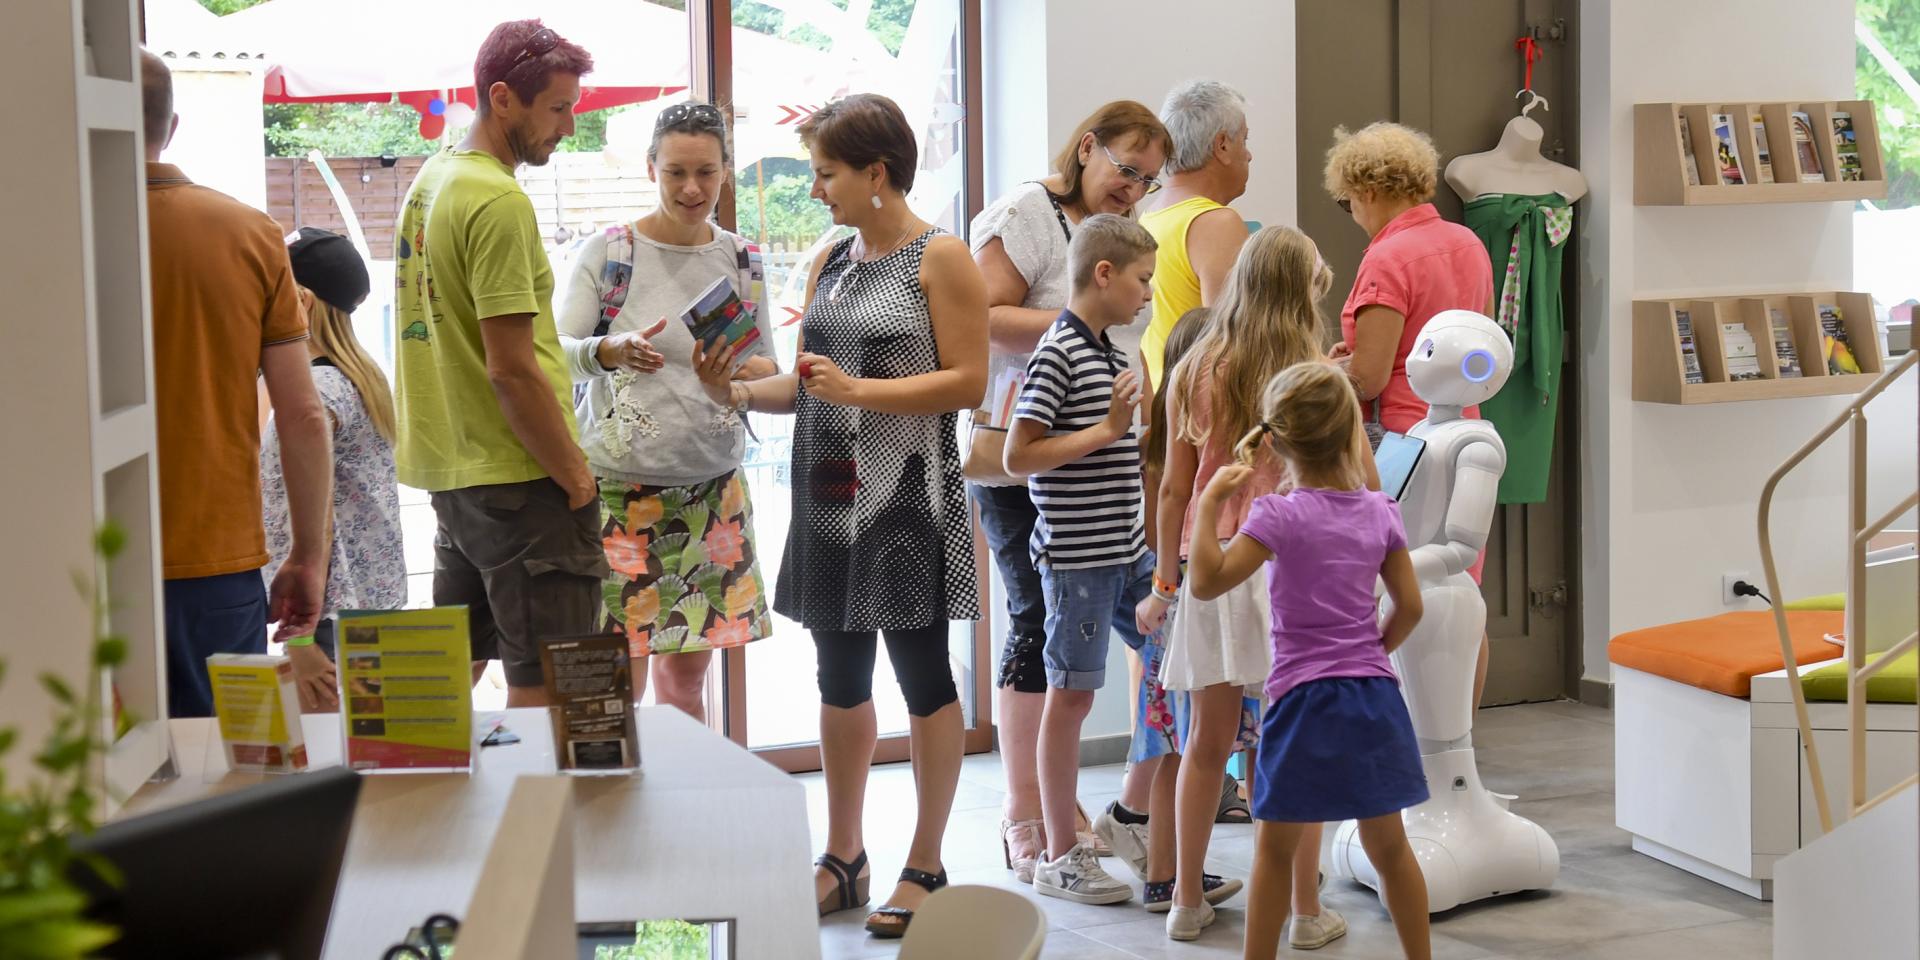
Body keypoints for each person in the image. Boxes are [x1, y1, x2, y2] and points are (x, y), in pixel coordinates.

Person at [692, 93, 987, 939]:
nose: (816, 189)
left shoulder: (943, 258)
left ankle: (926, 861)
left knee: (924, 675)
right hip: (828, 493)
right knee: (837, 677)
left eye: (825, 173)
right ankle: (844, 856)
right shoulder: (834, 258)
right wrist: (739, 388)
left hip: (906, 499)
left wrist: (863, 391)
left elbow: (967, 381)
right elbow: (807, 380)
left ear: (876, 174)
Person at [968, 100, 1171, 883]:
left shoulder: (1124, 266)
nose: (1135, 188)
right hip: (1038, 454)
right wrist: (1079, 321)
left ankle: (1108, 816)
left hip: (1105, 469)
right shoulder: (1027, 212)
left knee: (1148, 636)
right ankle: (1033, 818)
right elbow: (981, 314)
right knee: (1036, 621)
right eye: (1127, 169)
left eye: (1149, 180)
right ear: (1087, 148)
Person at [392, 20, 607, 707]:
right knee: (553, 693)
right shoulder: (497, 199)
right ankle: (536, 820)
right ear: (504, 98)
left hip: (457, 478)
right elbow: (511, 368)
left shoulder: (432, 182)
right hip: (520, 479)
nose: (568, 127)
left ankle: (435, 815)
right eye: (558, 108)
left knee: (450, 682)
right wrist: (575, 477)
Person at [1185, 361, 1431, 960]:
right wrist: (1369, 654)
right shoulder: (1380, 511)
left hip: (1301, 703)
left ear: (1274, 440)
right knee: (1391, 848)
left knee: (1275, 850)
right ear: (1352, 432)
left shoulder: (1278, 516)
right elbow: (1410, 608)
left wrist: (1209, 502)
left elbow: (1207, 583)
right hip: (1373, 698)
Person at [1136, 226, 1337, 941]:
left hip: (1213, 564)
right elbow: (1347, 484)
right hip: (1291, 567)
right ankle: (1303, 910)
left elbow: (1170, 491)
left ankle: (1187, 900)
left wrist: (1166, 579)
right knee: (1290, 745)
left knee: (1206, 742)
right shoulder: (1314, 375)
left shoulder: (1193, 367)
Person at [556, 101, 779, 721]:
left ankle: (680, 809)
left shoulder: (743, 260)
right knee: (613, 683)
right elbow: (557, 354)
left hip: (712, 493)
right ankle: (609, 808)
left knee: (686, 682)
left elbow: (768, 367)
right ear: (650, 167)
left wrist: (733, 373)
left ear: (726, 171)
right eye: (676, 171)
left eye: (706, 172)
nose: (691, 188)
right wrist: (609, 350)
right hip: (616, 493)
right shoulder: (611, 253)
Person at [140, 50, 334, 719]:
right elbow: (304, 416)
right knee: (230, 774)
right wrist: (308, 556)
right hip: (214, 557)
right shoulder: (250, 235)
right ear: (171, 125)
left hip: (75, 558)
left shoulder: (47, 234)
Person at [999, 214, 1155, 907]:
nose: (1148, 295)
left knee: (1171, 661)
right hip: (1079, 560)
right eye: (1142, 280)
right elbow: (1018, 456)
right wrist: (1105, 431)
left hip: (1128, 554)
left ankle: (1132, 816)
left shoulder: (1111, 352)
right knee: (1073, 697)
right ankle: (1061, 855)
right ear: (1104, 274)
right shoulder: (1059, 350)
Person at [1324, 121, 1496, 705]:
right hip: (1466, 426)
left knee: (1396, 591)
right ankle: (1459, 742)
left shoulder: (1387, 259)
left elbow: (1370, 375)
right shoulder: (1468, 244)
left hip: (1400, 442)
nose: (1352, 212)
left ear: (1368, 190)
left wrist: (1329, 368)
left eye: (1349, 201)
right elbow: (1483, 340)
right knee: (1462, 593)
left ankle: (1404, 747)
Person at [1113, 305, 1246, 920]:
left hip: (1165, 609)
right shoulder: (1185, 447)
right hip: (1177, 604)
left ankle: (1165, 877)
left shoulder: (1160, 438)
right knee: (1190, 746)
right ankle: (1174, 877)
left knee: (1171, 748)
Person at [259, 229, 406, 711]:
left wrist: (298, 643)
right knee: (364, 754)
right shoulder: (361, 377)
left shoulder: (316, 396)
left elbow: (302, 512)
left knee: (326, 762)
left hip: (324, 614)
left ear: (299, 300)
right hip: (371, 604)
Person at [1139, 80, 1256, 388]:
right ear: (1222, 145)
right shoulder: (1216, 223)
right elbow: (1232, 344)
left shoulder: (1148, 217)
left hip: (1159, 401)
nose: (1250, 155)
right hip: (1198, 409)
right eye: (1245, 139)